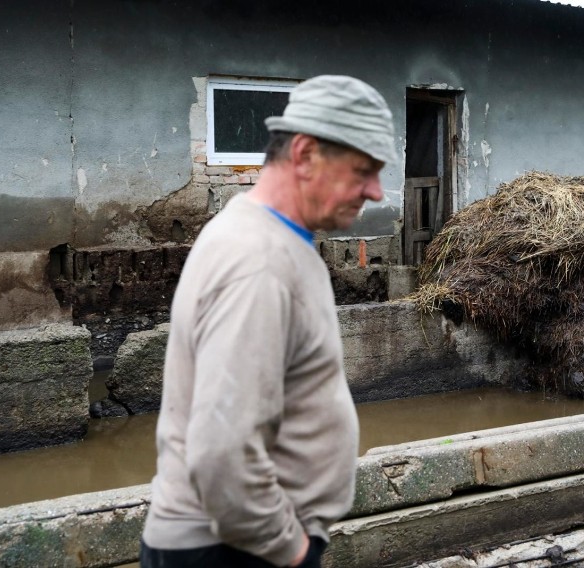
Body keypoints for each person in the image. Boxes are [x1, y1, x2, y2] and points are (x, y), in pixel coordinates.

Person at [140, 75, 396, 567]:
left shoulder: (266, 236)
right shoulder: (259, 261)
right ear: (303, 155)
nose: (377, 192)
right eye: (363, 170)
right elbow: (223, 453)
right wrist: (291, 548)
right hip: (236, 550)